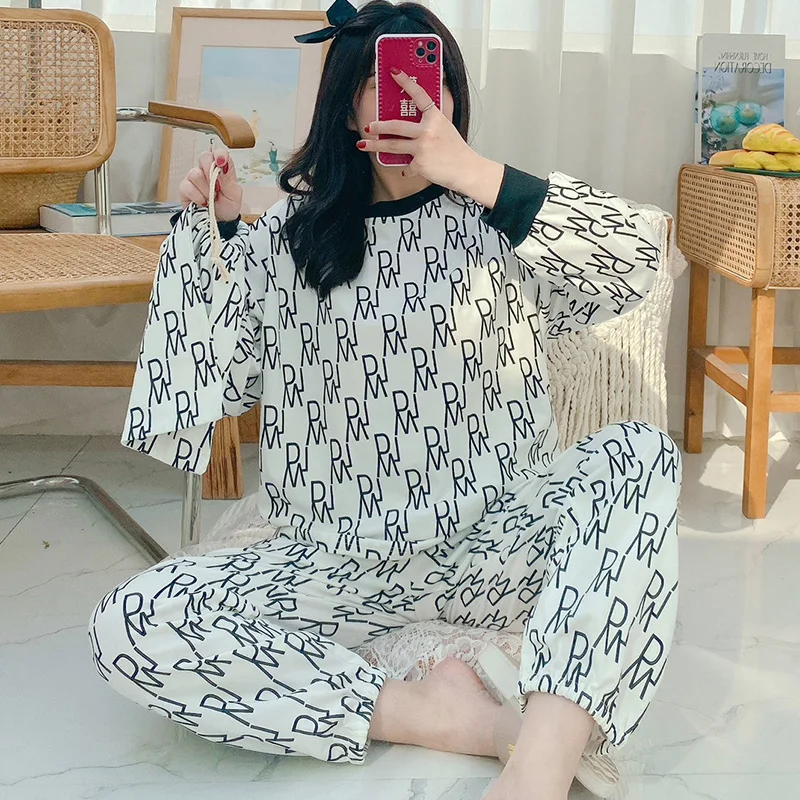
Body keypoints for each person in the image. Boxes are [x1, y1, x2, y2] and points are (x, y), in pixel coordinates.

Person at [88, 2, 681, 799]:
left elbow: (638, 261)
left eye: (430, 76)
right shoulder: (290, 236)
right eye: (384, 81)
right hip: (335, 559)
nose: (413, 95)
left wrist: (476, 174)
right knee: (132, 623)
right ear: (347, 109)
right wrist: (218, 240)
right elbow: (218, 385)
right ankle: (454, 720)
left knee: (639, 453)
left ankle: (537, 771)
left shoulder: (498, 216)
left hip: (493, 547)